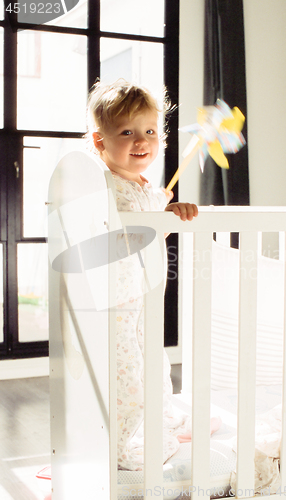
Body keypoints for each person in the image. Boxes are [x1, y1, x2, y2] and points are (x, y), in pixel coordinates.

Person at [86, 80, 199, 471]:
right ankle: (123, 442)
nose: (141, 140)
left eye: (149, 130)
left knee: (153, 365)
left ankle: (154, 420)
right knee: (127, 377)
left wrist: (173, 209)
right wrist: (156, 217)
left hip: (141, 298)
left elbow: (156, 226)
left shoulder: (144, 186)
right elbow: (129, 233)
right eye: (127, 132)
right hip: (117, 302)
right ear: (100, 141)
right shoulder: (106, 187)